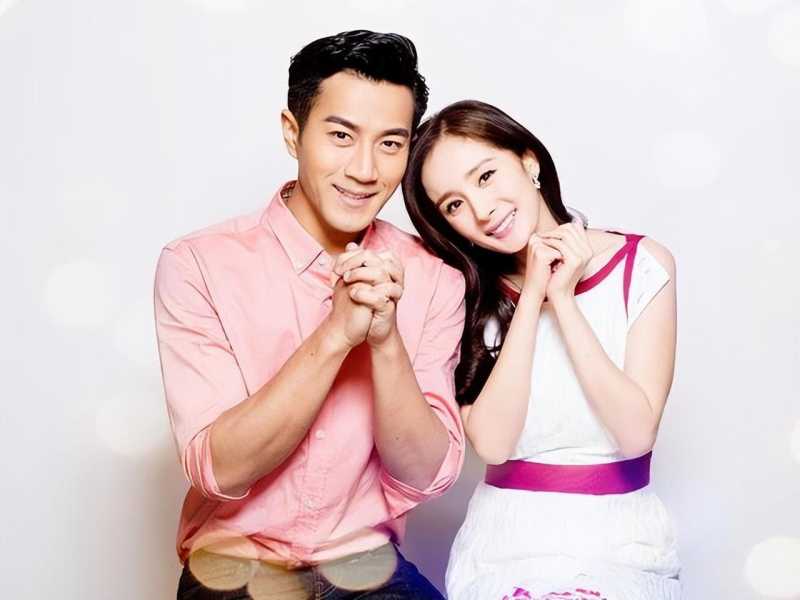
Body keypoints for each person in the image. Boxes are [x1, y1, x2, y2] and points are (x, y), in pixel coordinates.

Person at [153, 31, 466, 600]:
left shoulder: (434, 279)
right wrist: (336, 335)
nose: (365, 169)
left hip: (367, 567)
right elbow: (218, 469)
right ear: (292, 132)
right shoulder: (198, 264)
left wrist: (385, 342)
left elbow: (428, 476)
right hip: (237, 565)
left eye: (390, 143)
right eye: (341, 136)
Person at [402, 100, 681, 599]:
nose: (482, 210)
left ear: (528, 161)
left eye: (486, 176)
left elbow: (636, 433)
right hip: (505, 546)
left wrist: (564, 300)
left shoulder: (642, 265)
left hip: (621, 542)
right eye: (454, 205)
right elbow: (493, 445)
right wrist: (532, 296)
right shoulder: (464, 294)